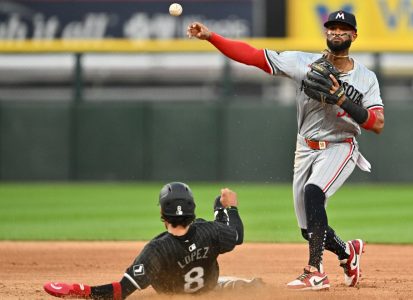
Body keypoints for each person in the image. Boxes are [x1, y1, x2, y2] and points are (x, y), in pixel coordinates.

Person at [187, 9, 384, 291]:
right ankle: (347, 252)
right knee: (309, 229)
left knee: (314, 192)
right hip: (306, 146)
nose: (336, 32)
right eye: (332, 27)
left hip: (341, 145)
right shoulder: (302, 62)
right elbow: (252, 56)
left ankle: (314, 271)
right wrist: (211, 37)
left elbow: (377, 123)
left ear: (353, 35)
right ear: (326, 32)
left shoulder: (366, 78)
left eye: (343, 28)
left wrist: (342, 99)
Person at [44, 182, 261, 299]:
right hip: (207, 290)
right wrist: (227, 208)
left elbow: (120, 292)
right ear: (192, 211)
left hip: (173, 296)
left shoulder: (156, 250)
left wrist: (82, 290)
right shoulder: (209, 231)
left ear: (162, 215)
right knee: (231, 285)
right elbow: (235, 235)